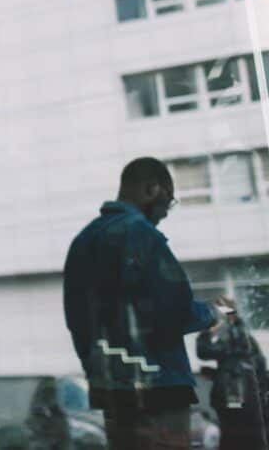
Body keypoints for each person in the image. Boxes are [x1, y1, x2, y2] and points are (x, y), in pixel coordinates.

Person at [63, 157, 226, 450]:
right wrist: (213, 312)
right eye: (168, 201)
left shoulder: (83, 241)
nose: (165, 213)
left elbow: (76, 320)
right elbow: (175, 312)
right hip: (161, 388)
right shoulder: (142, 236)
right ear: (152, 189)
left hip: (110, 387)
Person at [197, 301, 269, 449]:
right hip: (251, 416)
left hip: (234, 416)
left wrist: (209, 331)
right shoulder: (251, 355)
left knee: (232, 437)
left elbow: (203, 351)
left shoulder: (230, 351)